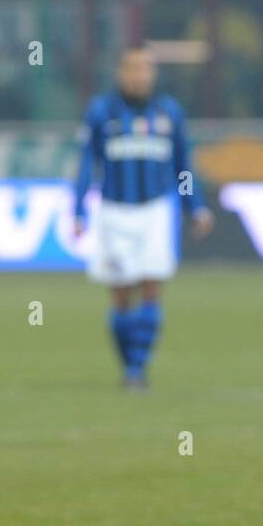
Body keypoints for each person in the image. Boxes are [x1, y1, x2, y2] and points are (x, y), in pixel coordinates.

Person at [73, 46, 214, 390]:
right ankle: (128, 365)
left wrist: (195, 206)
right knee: (121, 295)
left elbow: (184, 165)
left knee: (151, 285)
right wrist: (77, 210)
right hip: (114, 211)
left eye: (145, 69)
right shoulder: (101, 111)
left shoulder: (169, 113)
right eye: (132, 68)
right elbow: (85, 165)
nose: (139, 75)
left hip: (154, 211)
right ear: (120, 72)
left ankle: (137, 369)